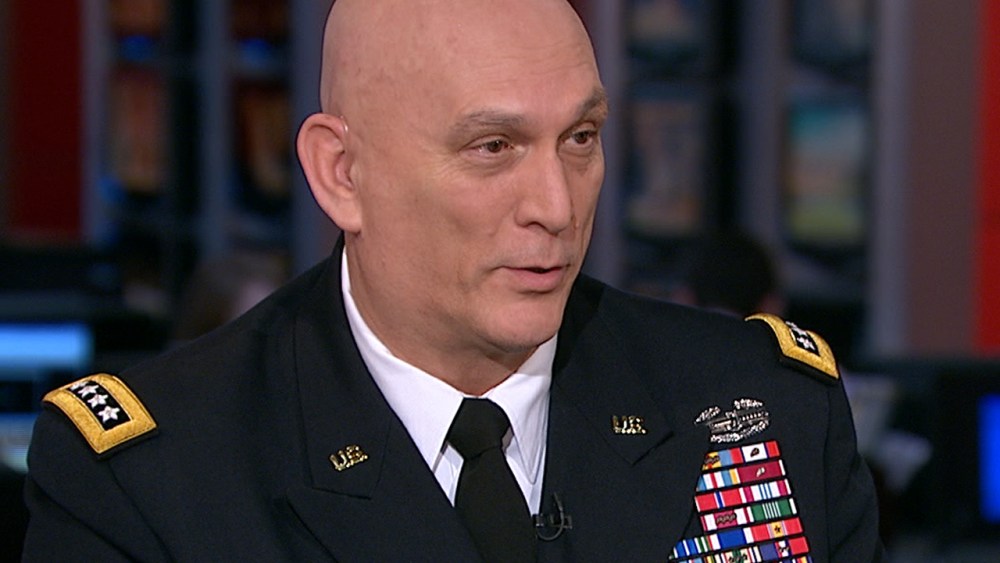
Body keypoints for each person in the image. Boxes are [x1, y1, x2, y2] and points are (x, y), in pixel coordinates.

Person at [22, 1, 884, 561]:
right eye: (493, 148)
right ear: (341, 174)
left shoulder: (769, 404)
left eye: (580, 139)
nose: (555, 206)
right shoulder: (150, 481)